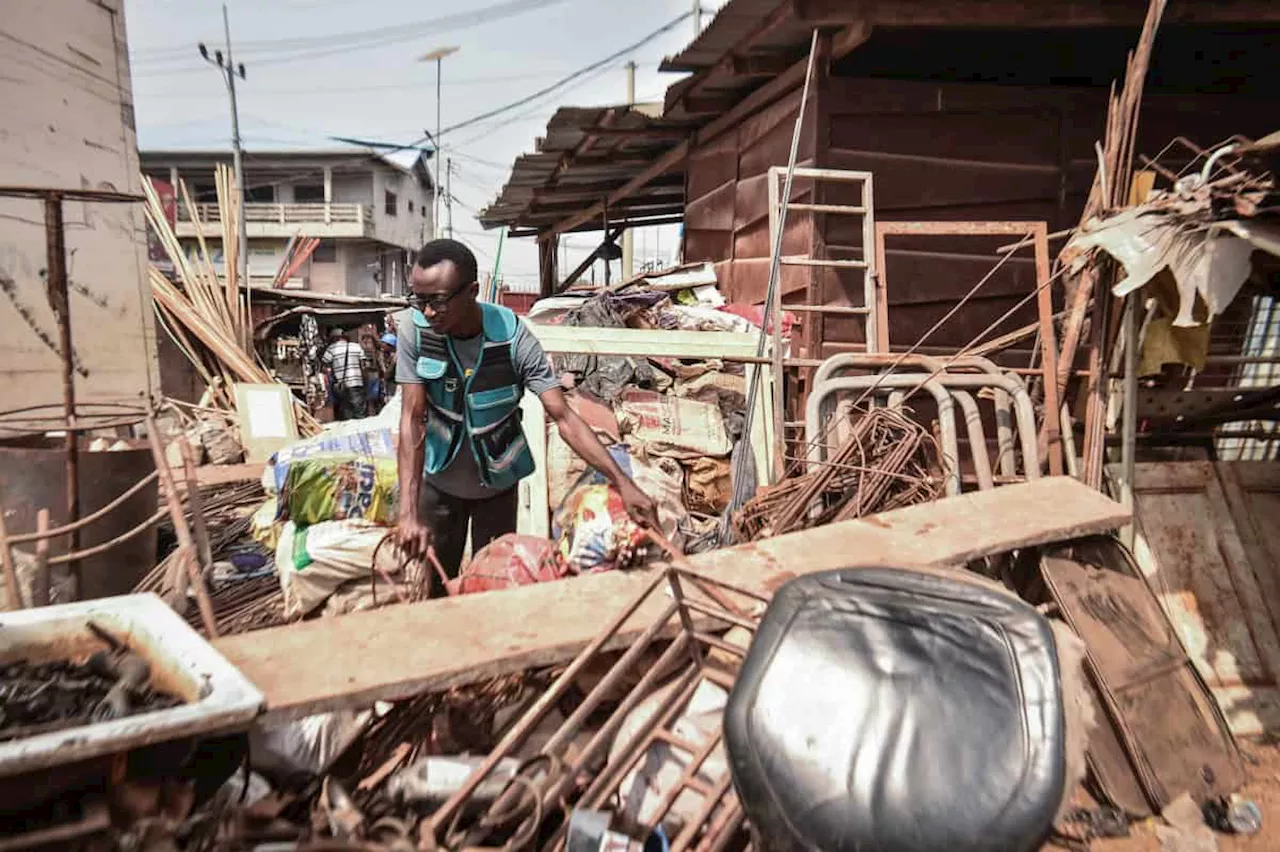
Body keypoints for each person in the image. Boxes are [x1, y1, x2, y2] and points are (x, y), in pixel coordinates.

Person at [395, 239, 658, 587]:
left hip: (498, 491)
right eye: (420, 300)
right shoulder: (416, 332)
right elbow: (412, 419)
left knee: (494, 588)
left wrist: (623, 482)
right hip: (439, 489)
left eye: (438, 301)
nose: (427, 312)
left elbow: (563, 417)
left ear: (472, 290)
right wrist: (407, 512)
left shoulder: (513, 339)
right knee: (433, 592)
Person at [322, 327, 369, 421]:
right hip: (357, 382)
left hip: (342, 385)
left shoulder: (331, 349)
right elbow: (364, 365)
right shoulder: (356, 346)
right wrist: (365, 380)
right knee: (360, 411)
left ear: (334, 338)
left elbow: (324, 366)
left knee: (347, 412)